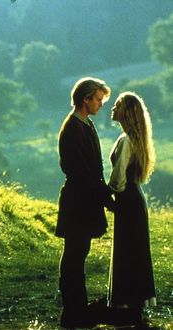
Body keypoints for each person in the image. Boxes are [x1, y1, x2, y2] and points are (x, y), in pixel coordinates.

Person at [55, 77, 115, 329]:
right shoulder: (73, 128)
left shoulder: (84, 125)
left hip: (84, 199)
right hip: (78, 201)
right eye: (98, 99)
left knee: (78, 253)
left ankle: (77, 310)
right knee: (74, 255)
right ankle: (73, 312)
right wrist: (106, 196)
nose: (101, 104)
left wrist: (103, 194)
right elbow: (83, 171)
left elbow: (92, 170)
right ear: (86, 99)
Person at [107, 91, 156, 325]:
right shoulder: (136, 139)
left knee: (127, 249)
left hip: (127, 199)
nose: (112, 108)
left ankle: (126, 302)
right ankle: (134, 302)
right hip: (136, 198)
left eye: (117, 105)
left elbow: (118, 179)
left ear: (126, 111)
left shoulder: (126, 140)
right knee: (135, 249)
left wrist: (107, 194)